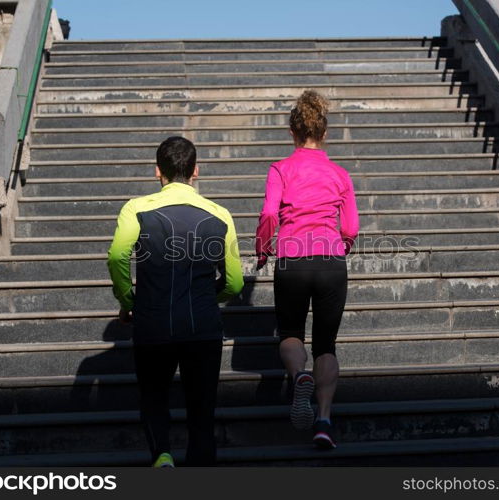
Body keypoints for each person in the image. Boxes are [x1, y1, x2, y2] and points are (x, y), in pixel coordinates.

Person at [107, 136, 244, 467]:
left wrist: (129, 300)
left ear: (158, 172)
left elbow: (117, 257)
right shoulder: (220, 214)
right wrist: (210, 297)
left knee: (153, 397)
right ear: (196, 171)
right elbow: (235, 281)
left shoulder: (136, 209)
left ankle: (163, 456)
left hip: (153, 321)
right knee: (202, 411)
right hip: (203, 326)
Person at [255, 90, 360, 449]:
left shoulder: (280, 169)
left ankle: (299, 375)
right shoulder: (340, 174)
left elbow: (270, 213)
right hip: (330, 261)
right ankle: (325, 420)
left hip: (292, 259)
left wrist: (263, 247)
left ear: (292, 132)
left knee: (290, 333)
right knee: (326, 344)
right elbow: (350, 228)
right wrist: (338, 247)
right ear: (325, 133)